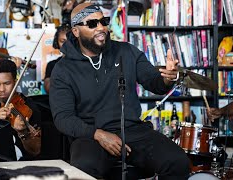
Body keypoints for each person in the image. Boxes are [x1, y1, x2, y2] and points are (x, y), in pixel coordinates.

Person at [49, 3, 189, 179]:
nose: (100, 28)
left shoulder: (126, 51)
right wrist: (98, 134)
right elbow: (63, 118)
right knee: (84, 169)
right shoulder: (63, 69)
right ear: (76, 31)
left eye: (103, 21)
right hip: (91, 135)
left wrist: (167, 78)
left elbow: (154, 83)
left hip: (132, 130)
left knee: (178, 161)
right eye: (92, 24)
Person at [0, 59, 41, 160]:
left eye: (7, 83)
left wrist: (23, 132)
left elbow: (35, 150)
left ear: (16, 82)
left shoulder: (29, 108)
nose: (2, 89)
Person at [43, 24, 71, 93]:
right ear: (57, 42)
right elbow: (48, 89)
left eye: (70, 40)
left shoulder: (85, 62)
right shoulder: (52, 65)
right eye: (62, 41)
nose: (66, 44)